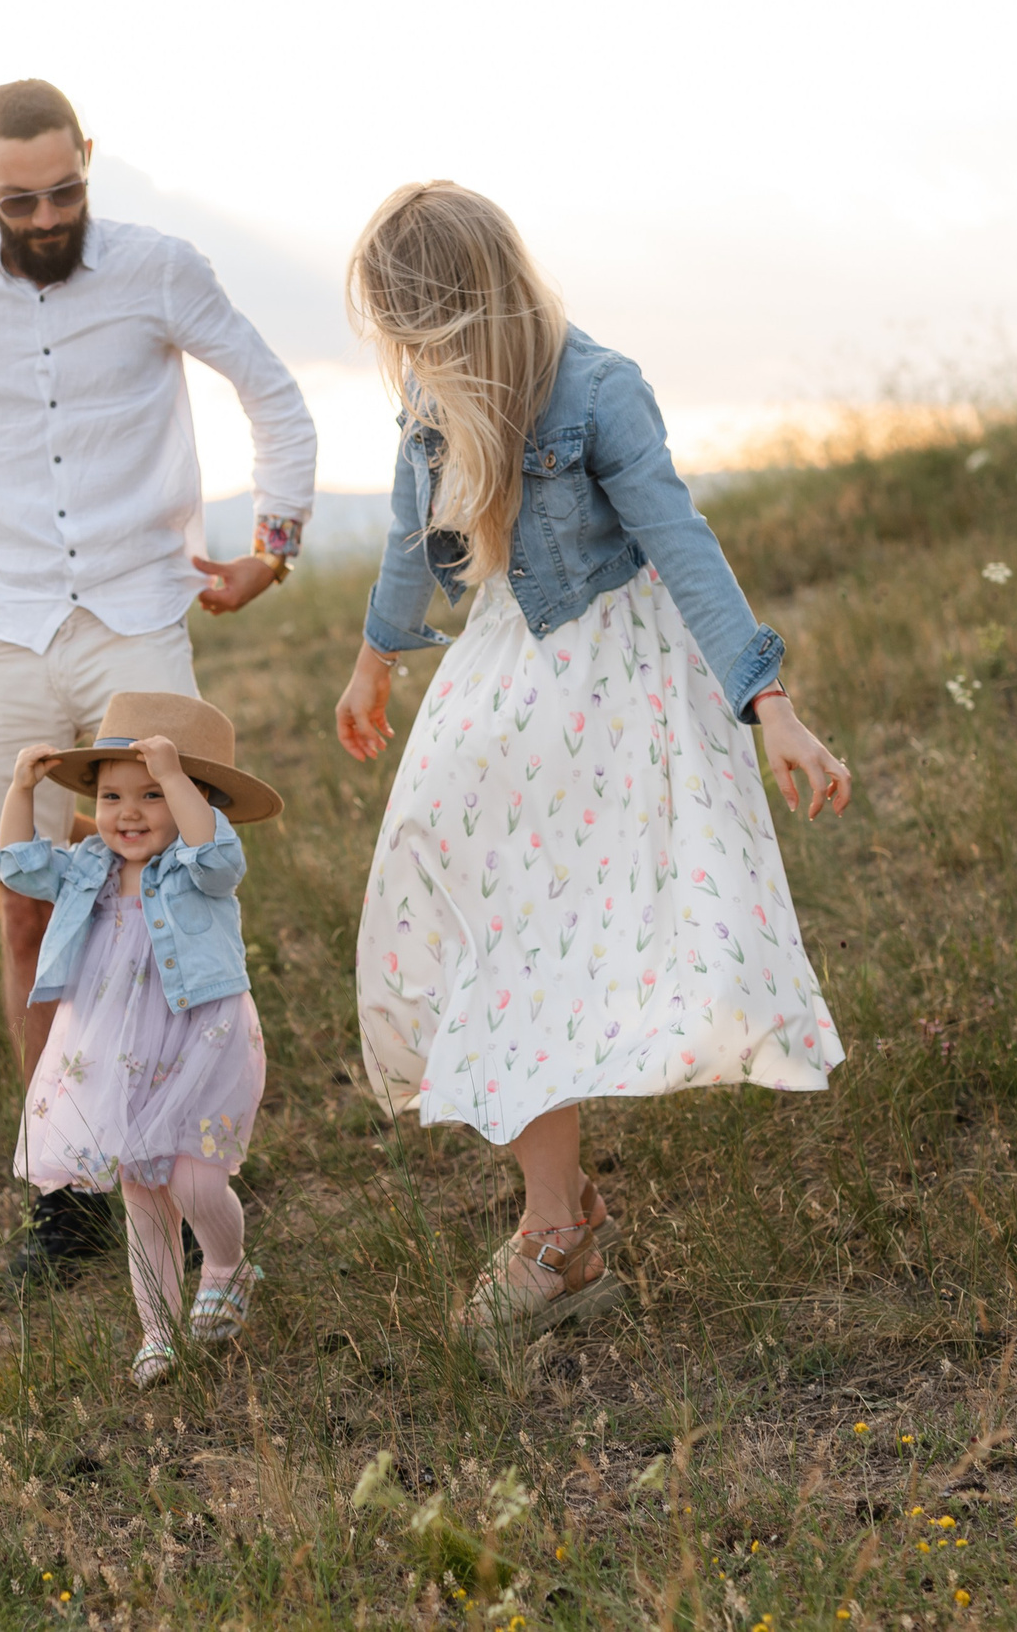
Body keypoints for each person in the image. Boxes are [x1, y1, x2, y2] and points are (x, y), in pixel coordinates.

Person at [334, 182, 854, 1340]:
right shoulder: (429, 398)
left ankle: (551, 1234)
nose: (410, 357)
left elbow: (683, 543)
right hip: (503, 671)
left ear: (465, 306)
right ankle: (558, 1218)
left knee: (544, 933)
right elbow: (406, 537)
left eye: (419, 330)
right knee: (450, 887)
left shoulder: (600, 389)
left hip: (616, 684)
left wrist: (769, 704)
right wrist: (375, 658)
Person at [0, 79, 317, 1282]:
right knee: (23, 904)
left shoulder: (162, 269)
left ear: (88, 165)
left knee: (164, 895)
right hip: (1, 628)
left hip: (137, 616)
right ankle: (66, 1191)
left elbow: (269, 389)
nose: (47, 215)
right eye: (22, 198)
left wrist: (272, 545)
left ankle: (187, 1143)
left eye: (65, 191)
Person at [0, 693, 280, 1388]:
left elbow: (219, 856)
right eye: (113, 793)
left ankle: (225, 1264)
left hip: (201, 1040)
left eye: (153, 794)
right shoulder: (88, 868)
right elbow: (17, 866)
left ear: (196, 799)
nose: (129, 811)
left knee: (194, 1179)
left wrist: (176, 779)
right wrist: (20, 789)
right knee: (143, 1194)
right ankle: (158, 1328)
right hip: (119, 1053)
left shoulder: (196, 868)